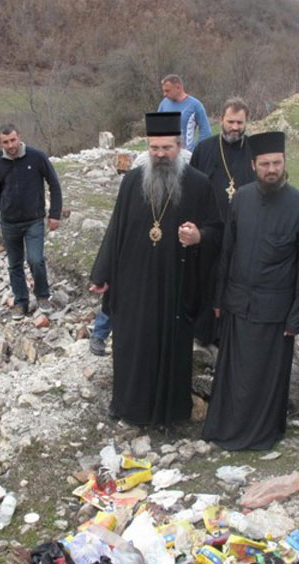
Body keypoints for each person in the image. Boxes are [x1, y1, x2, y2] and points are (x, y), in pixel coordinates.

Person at [89, 112, 221, 428]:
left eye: (167, 148)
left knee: (171, 348)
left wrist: (198, 236)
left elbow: (218, 229)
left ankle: (168, 413)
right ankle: (125, 405)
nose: (161, 155)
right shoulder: (133, 181)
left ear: (179, 146)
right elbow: (115, 229)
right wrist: (101, 273)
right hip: (134, 283)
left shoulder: (199, 185)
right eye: (154, 148)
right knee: (131, 346)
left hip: (177, 284)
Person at [202, 131, 299, 450]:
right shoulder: (241, 198)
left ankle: (261, 436)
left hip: (275, 313)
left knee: (264, 379)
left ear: (284, 164)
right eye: (265, 163)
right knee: (234, 375)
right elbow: (228, 251)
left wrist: (297, 319)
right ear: (254, 165)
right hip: (238, 304)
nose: (271, 169)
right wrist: (218, 298)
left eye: (276, 163)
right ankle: (225, 428)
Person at [190, 96, 257, 344]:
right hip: (209, 230)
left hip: (243, 233)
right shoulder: (204, 149)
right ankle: (202, 333)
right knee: (205, 281)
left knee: (234, 283)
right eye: (231, 122)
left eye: (240, 123)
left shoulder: (254, 150)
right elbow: (192, 187)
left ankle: (227, 335)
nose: (235, 128)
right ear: (221, 120)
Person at [0, 124, 63, 318]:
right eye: (6, 142)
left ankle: (43, 296)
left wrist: (55, 214)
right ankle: (21, 302)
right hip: (9, 222)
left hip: (34, 220)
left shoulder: (37, 157)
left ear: (19, 137)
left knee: (36, 260)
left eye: (13, 140)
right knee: (14, 264)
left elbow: (54, 184)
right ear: (0, 142)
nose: (11, 145)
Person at [158, 74, 211, 152]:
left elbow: (205, 131)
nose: (164, 94)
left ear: (178, 88)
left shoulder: (195, 105)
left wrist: (195, 150)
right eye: (164, 91)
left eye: (167, 91)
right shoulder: (163, 104)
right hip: (167, 154)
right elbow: (158, 128)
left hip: (186, 154)